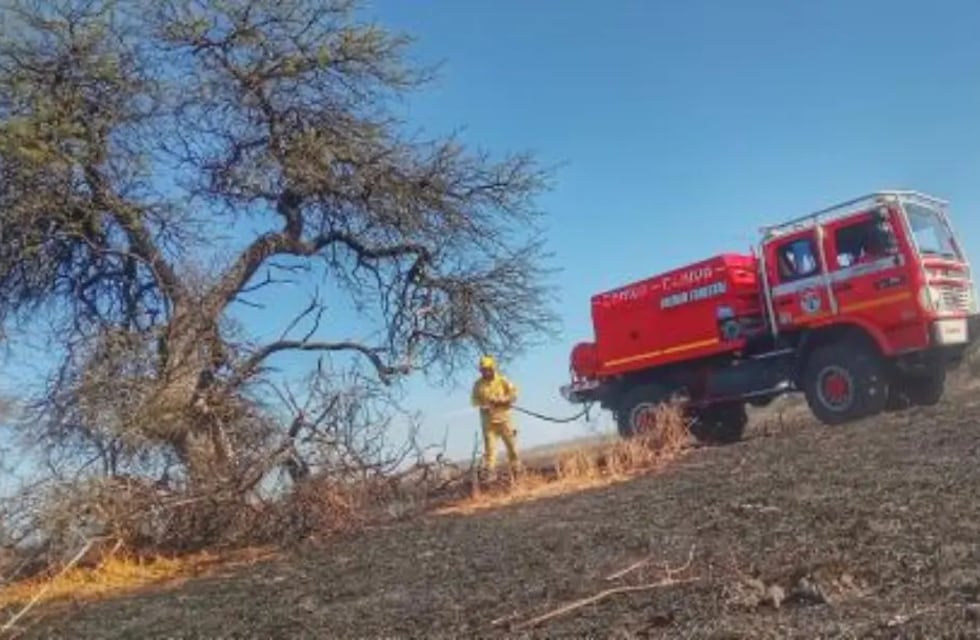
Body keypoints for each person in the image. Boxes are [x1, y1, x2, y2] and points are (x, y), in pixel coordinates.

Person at [470, 355, 521, 474]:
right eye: (483, 370)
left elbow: (514, 394)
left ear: (493, 368)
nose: (485, 372)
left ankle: (516, 470)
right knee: (490, 450)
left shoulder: (502, 380)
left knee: (512, 447)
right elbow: (474, 400)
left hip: (505, 420)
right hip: (488, 422)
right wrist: (483, 405)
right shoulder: (477, 384)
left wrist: (503, 400)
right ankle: (490, 473)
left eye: (487, 369)